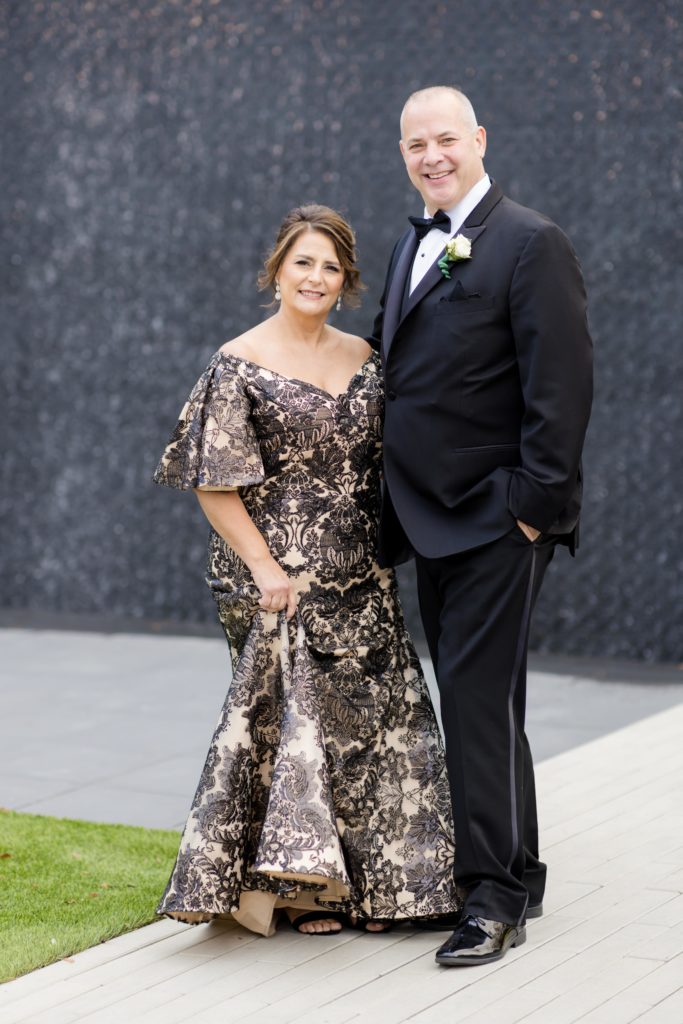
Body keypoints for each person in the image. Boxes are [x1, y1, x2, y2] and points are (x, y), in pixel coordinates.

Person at [153, 204, 461, 937]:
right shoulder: (237, 361)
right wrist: (266, 570)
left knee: (382, 726)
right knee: (297, 731)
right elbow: (213, 481)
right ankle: (301, 894)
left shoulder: (366, 356)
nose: (315, 276)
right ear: (277, 271)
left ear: (345, 279)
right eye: (303, 262)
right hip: (273, 577)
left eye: (330, 266)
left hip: (361, 571)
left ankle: (392, 891)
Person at [369, 87, 593, 965]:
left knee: (472, 701)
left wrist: (532, 511)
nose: (432, 155)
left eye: (446, 140)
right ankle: (520, 871)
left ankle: (488, 899)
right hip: (427, 516)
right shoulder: (406, 243)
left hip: (496, 519)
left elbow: (562, 386)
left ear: (479, 140)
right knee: (488, 703)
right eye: (415, 143)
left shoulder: (529, 240)